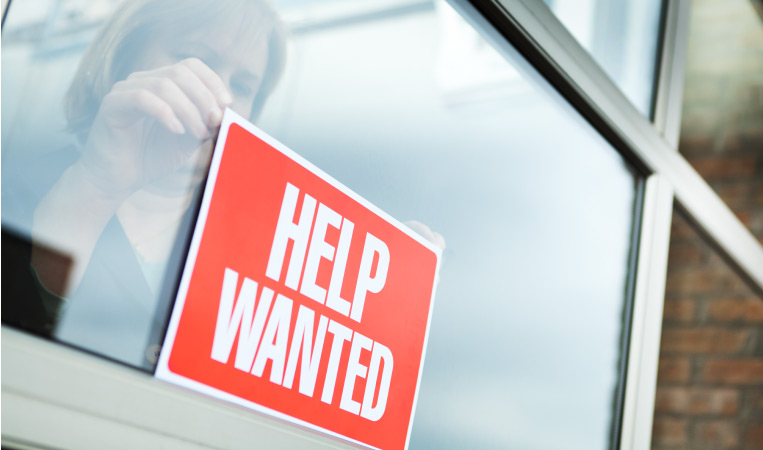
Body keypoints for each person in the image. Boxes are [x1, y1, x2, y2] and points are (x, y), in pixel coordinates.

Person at [18, 0, 287, 367]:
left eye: (241, 86)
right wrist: (97, 187)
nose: (220, 97)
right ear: (124, 60)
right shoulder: (15, 191)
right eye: (197, 61)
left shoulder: (260, 249)